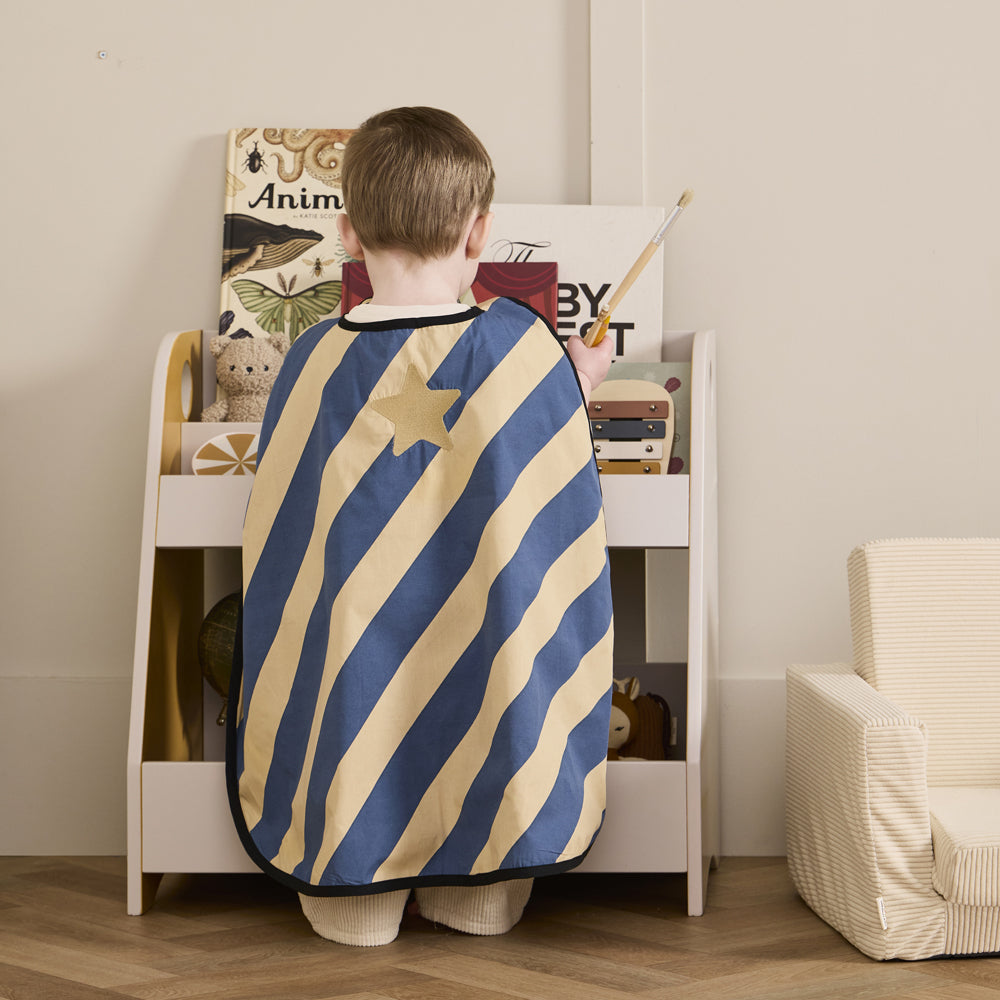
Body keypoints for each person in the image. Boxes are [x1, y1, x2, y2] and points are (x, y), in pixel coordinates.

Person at [227, 107, 615, 947]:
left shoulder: (313, 358)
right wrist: (575, 376)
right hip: (483, 657)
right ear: (479, 234)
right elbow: (538, 453)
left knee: (346, 651)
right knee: (497, 670)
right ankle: (478, 886)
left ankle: (357, 888)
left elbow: (289, 515)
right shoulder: (524, 348)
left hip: (354, 670)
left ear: (348, 233)